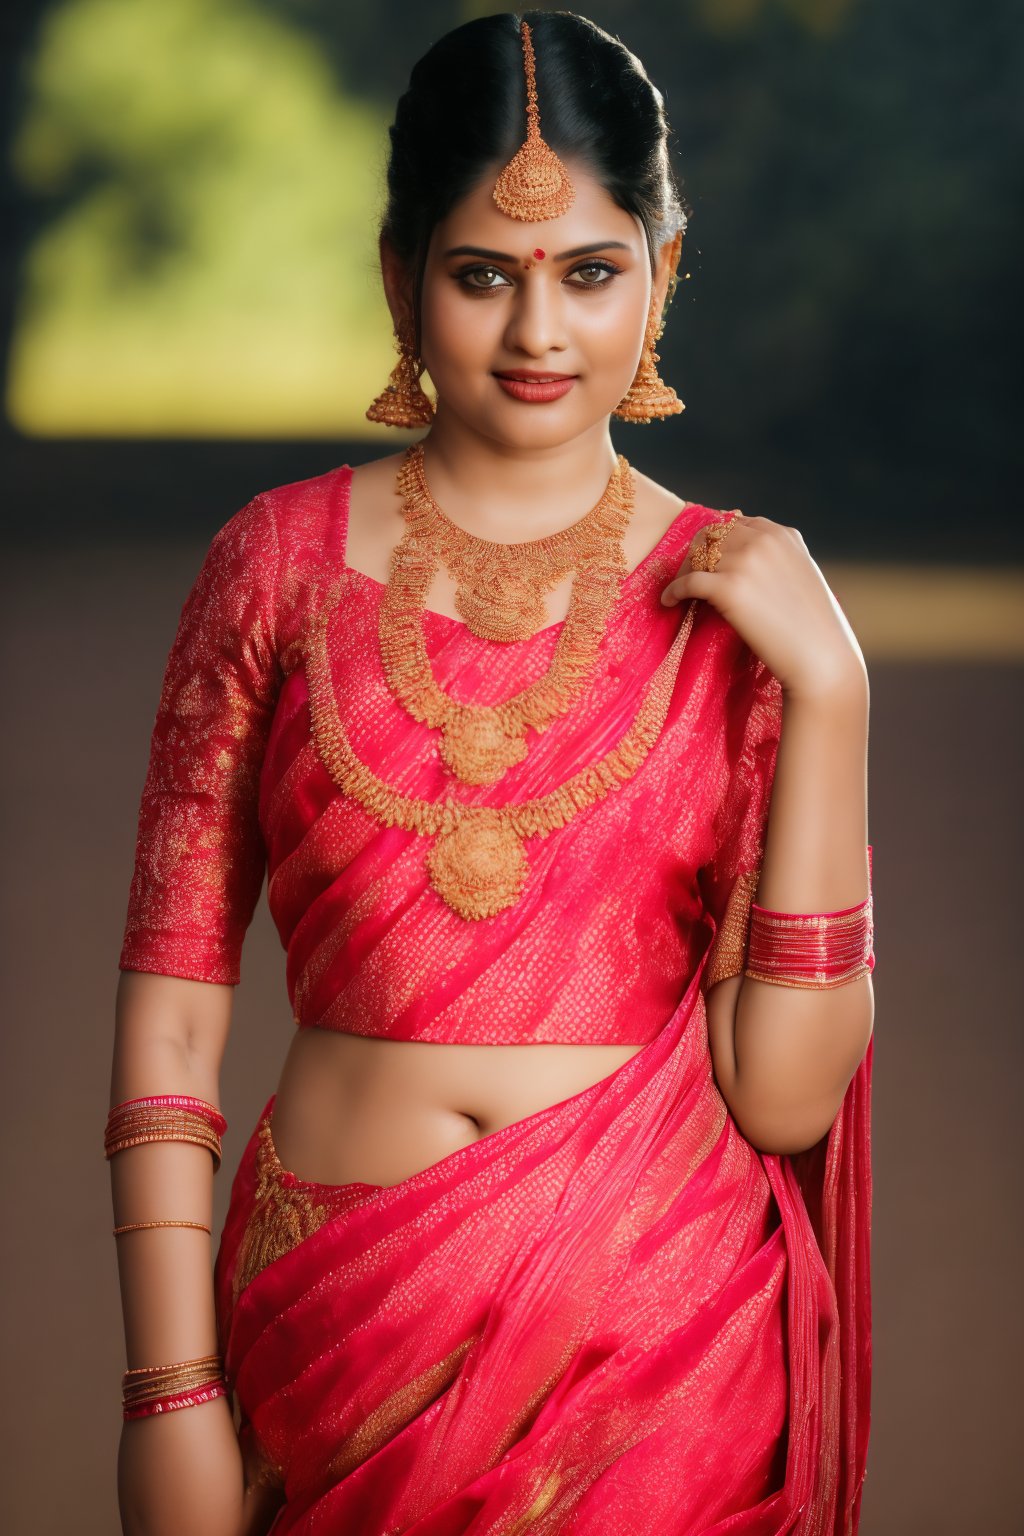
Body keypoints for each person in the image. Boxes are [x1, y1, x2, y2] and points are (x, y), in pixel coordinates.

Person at [107, 12, 875, 1535]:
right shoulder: (275, 565)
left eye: (591, 272)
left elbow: (782, 1099)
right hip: (332, 1348)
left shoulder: (738, 604)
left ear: (663, 268)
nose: (540, 333)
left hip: (656, 1359)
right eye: (484, 275)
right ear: (400, 277)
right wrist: (169, 1391)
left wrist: (836, 694)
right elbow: (176, 1019)